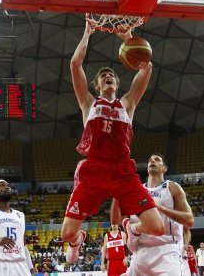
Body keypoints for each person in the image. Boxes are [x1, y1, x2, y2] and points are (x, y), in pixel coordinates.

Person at [60, 22, 164, 262]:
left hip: (122, 171)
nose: (108, 76)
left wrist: (128, 38)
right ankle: (78, 240)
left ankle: (132, 228)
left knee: (157, 228)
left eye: (112, 76)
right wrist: (87, 32)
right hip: (94, 170)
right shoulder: (88, 103)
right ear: (97, 86)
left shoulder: (127, 104)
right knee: (67, 233)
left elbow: (146, 68)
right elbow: (75, 65)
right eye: (103, 76)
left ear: (116, 84)